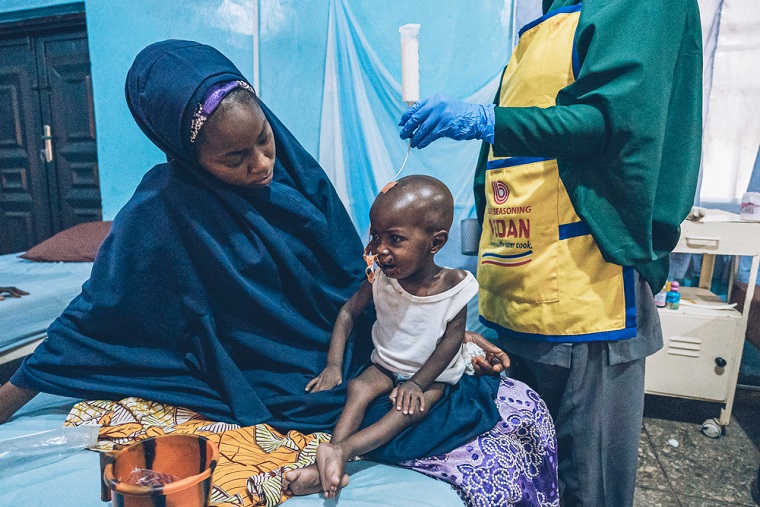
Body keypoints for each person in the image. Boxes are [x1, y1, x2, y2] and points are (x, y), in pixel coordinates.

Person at [0, 40, 559, 506]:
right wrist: (13, 394)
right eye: (235, 159)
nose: (262, 165)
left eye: (263, 140)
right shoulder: (162, 209)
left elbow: (356, 279)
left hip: (350, 344)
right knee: (419, 411)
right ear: (187, 152)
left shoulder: (296, 173)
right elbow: (97, 317)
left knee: (480, 401)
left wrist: (447, 333)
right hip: (268, 370)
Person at [397, 2, 702, 506]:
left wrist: (484, 119)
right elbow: (501, 167)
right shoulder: (547, 21)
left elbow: (615, 122)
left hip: (587, 294)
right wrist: (474, 256)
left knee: (587, 482)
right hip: (515, 292)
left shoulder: (642, 8)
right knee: (525, 470)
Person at [303, 175, 488, 497]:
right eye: (376, 236)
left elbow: (451, 340)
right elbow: (348, 313)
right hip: (386, 363)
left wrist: (417, 383)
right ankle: (328, 458)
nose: (380, 249)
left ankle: (343, 452)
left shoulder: (455, 286)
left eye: (395, 239)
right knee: (359, 388)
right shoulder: (381, 278)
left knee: (411, 409)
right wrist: (334, 366)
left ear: (435, 242)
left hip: (432, 375)